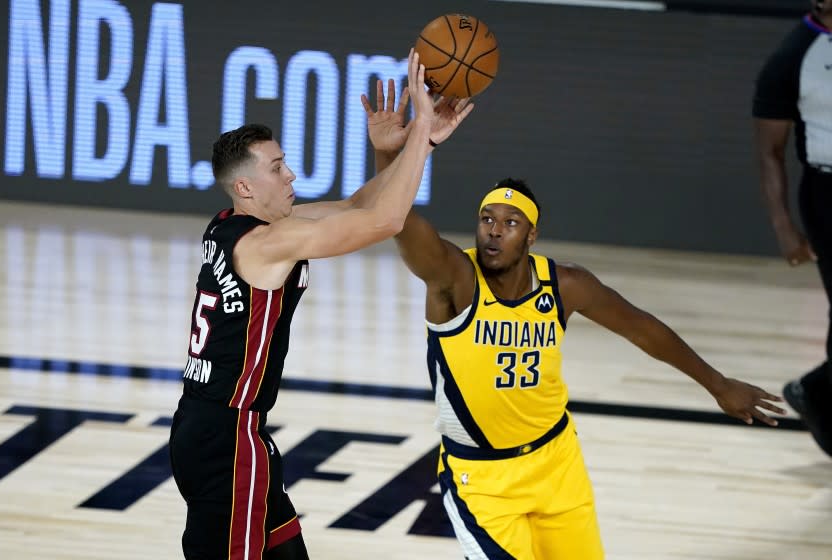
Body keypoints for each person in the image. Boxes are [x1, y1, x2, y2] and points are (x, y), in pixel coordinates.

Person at [361, 82, 787, 559]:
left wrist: (717, 383)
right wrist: (391, 157)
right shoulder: (454, 280)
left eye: (509, 223)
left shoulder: (565, 285)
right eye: (486, 219)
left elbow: (642, 329)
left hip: (556, 463)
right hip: (481, 480)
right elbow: (394, 220)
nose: (494, 232)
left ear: (532, 235)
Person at [168, 50, 474, 560]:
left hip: (225, 431)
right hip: (227, 440)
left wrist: (398, 151)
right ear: (245, 186)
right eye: (277, 167)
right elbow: (385, 223)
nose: (290, 175)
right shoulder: (265, 245)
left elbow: (361, 207)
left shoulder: (237, 224)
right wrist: (421, 128)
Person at [753, 0, 832, 457]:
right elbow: (769, 151)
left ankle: (815, 389)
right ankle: (818, 393)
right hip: (827, 197)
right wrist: (784, 226)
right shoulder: (792, 57)